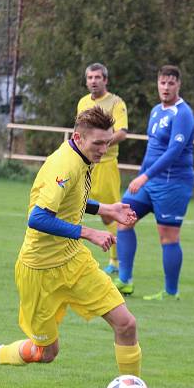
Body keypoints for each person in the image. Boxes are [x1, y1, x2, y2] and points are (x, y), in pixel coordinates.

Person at [0, 106, 165, 388]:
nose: (104, 149)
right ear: (78, 137)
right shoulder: (64, 164)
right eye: (98, 143)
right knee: (45, 353)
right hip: (40, 270)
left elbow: (73, 201)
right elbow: (37, 218)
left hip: (74, 262)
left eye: (108, 142)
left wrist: (105, 209)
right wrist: (90, 233)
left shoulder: (84, 158)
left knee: (126, 324)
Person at [114, 65, 194, 301]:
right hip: (148, 181)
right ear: (157, 84)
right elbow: (153, 149)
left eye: (171, 83)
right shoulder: (156, 111)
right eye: (162, 82)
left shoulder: (183, 114)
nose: (166, 87)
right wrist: (142, 176)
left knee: (168, 237)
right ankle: (125, 281)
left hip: (172, 184)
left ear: (178, 85)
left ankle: (171, 293)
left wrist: (144, 176)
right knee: (124, 219)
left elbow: (174, 151)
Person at [76, 63, 129, 275]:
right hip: (83, 166)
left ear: (105, 80)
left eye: (97, 77)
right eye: (90, 77)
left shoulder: (116, 102)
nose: (93, 81)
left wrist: (101, 145)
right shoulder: (82, 102)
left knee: (110, 215)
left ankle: (116, 261)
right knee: (74, 207)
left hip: (105, 167)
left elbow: (122, 132)